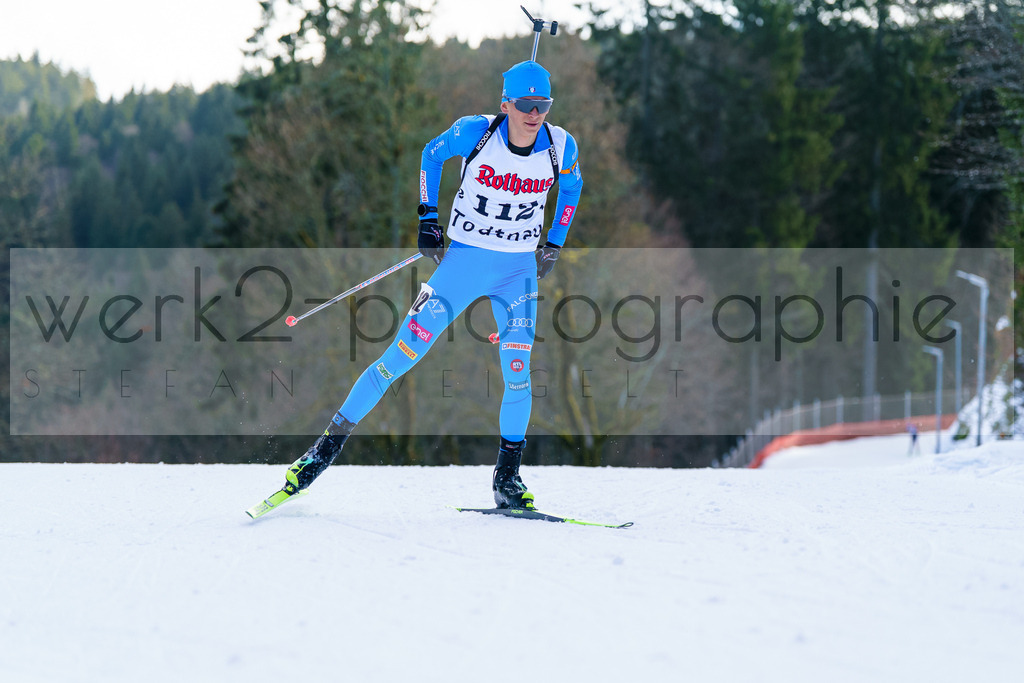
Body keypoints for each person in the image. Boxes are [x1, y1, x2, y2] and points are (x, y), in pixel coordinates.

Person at [278, 59, 583, 510]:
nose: (534, 113)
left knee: (518, 376)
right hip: (462, 265)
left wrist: (554, 241)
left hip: (518, 273)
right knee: (399, 357)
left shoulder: (560, 145)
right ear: (507, 104)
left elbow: (572, 189)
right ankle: (320, 453)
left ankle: (507, 480)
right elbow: (430, 155)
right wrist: (427, 219)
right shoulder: (474, 132)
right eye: (525, 104)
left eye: (543, 104)